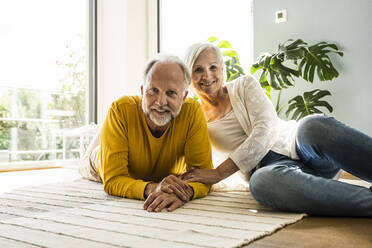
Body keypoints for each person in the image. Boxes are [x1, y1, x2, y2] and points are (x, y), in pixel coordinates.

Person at [181, 43, 372, 216]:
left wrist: (219, 173)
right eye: (198, 70)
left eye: (213, 67)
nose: (207, 75)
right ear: (189, 76)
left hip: (301, 147)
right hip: (277, 175)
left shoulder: (243, 85)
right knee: (261, 183)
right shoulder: (195, 118)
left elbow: (266, 130)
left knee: (310, 126)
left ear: (222, 69)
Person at [79, 54, 213, 212]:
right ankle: (98, 142)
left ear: (183, 97)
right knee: (87, 161)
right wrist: (154, 188)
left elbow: (203, 175)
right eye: (153, 91)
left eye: (171, 93)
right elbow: (113, 180)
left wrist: (184, 192)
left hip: (152, 164)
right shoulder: (120, 109)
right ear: (142, 91)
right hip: (96, 162)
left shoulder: (192, 112)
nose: (160, 102)